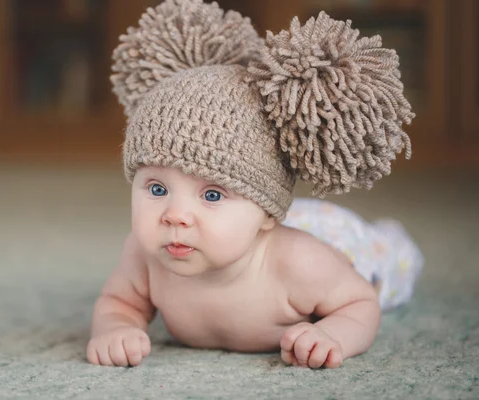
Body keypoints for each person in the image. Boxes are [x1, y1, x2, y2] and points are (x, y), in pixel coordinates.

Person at [86, 0, 424, 369]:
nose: (175, 216)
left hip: (337, 236)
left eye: (212, 194)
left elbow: (360, 304)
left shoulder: (300, 264)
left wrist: (334, 335)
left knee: (392, 262)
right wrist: (113, 329)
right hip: (257, 223)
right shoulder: (144, 255)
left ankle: (390, 237)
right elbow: (119, 303)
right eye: (156, 189)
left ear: (266, 213)